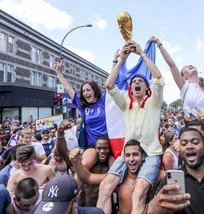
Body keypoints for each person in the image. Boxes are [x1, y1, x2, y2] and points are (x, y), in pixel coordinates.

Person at [100, 40, 164, 214]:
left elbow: (158, 78)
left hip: (151, 153)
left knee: (139, 190)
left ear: (146, 88)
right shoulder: (125, 103)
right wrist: (122, 59)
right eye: (133, 81)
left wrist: (142, 54)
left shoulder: (154, 103)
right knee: (105, 186)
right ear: (131, 88)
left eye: (140, 81)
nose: (136, 82)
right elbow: (109, 85)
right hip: (127, 154)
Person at [69, 139, 165, 214]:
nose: (131, 159)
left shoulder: (156, 176)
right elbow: (88, 178)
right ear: (124, 158)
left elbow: (175, 182)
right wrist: (76, 162)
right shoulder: (116, 180)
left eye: (135, 154)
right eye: (128, 155)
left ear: (143, 156)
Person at [151, 29, 204, 120]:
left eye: (191, 65)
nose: (190, 65)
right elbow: (171, 64)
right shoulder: (185, 86)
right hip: (191, 125)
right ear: (185, 77)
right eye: (186, 68)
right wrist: (159, 43)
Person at [54, 58, 107, 169]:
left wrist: (117, 60)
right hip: (92, 146)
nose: (85, 93)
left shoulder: (104, 101)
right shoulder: (83, 106)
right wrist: (59, 73)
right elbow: (68, 88)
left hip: (108, 144)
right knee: (83, 166)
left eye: (88, 90)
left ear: (95, 91)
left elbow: (111, 83)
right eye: (83, 91)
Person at [56, 119, 114, 206]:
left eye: (105, 148)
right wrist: (60, 133)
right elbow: (63, 152)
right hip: (86, 208)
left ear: (109, 149)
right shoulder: (86, 163)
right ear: (95, 148)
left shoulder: (113, 165)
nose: (102, 151)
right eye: (99, 148)